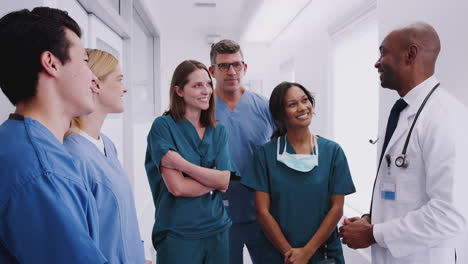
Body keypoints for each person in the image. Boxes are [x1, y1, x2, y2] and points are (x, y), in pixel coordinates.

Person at [339, 22, 468, 263]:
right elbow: (404, 193)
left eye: (383, 52)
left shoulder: (446, 117)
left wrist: (373, 234)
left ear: (410, 55)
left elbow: (449, 214)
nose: (377, 62)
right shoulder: (404, 112)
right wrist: (372, 220)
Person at [0, 7, 107, 263]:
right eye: (84, 61)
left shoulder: (13, 143)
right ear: (51, 63)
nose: (93, 78)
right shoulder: (42, 172)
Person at [241, 81, 355, 264]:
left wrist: (307, 252)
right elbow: (262, 211)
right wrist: (290, 254)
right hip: (278, 255)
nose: (302, 108)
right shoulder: (264, 155)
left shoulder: (332, 152)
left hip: (322, 253)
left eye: (305, 100)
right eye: (292, 104)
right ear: (280, 114)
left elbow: (337, 208)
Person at [145, 60, 238, 264]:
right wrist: (212, 176)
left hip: (217, 229)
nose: (206, 91)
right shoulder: (163, 127)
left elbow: (224, 180)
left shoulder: (218, 130)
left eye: (208, 84)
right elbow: (177, 187)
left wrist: (182, 164)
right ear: (179, 91)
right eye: (197, 85)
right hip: (177, 233)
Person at [63, 49, 146, 263]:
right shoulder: (74, 155)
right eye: (119, 79)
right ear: (95, 84)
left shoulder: (106, 144)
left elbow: (117, 220)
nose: (125, 88)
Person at [209, 39, 275, 264]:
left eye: (237, 65)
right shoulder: (202, 109)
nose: (231, 72)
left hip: (261, 211)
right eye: (224, 66)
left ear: (245, 68)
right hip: (219, 213)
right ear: (212, 71)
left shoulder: (265, 107)